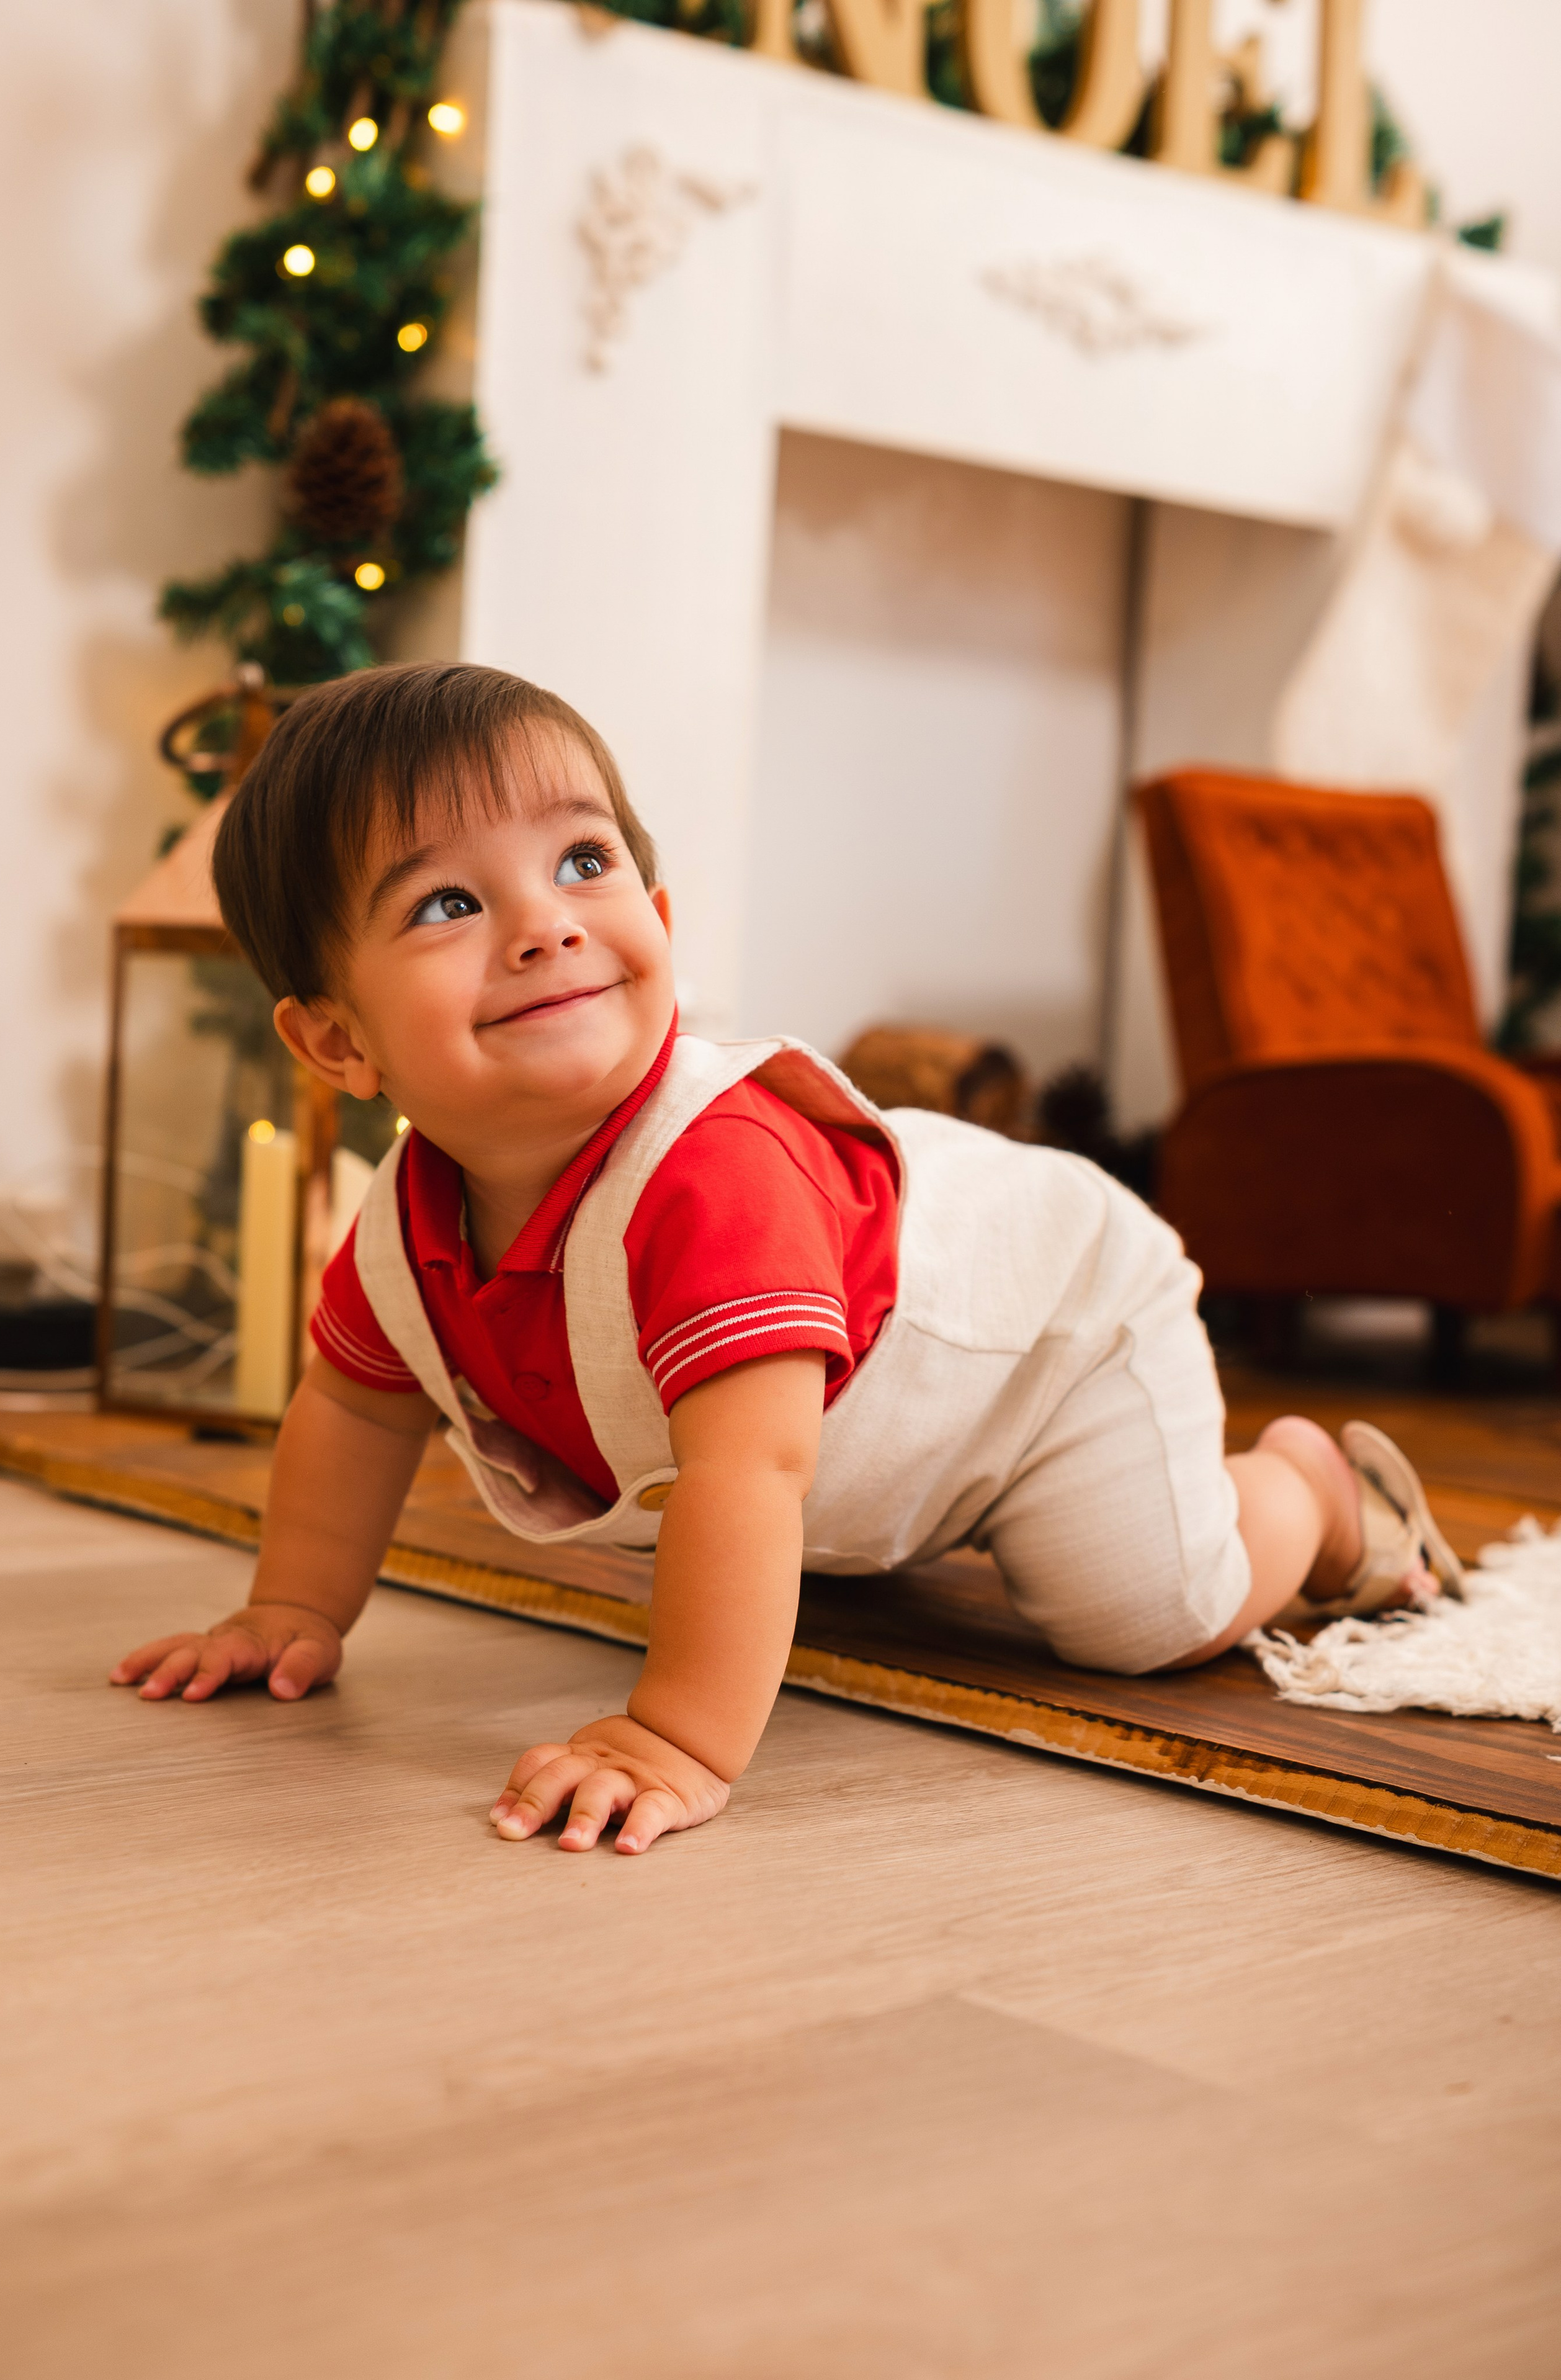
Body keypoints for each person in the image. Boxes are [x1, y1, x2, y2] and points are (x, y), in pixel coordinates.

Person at [110, 663, 1464, 1855]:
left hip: (1055, 1342)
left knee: (1148, 1613)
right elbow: (352, 1406)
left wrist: (677, 1738)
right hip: (889, 1439)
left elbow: (747, 1469)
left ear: (657, 908)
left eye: (582, 863)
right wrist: (290, 1604)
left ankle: (1311, 1489)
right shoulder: (404, 1231)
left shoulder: (711, 1174)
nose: (545, 924)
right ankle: (967, 1517)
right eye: (450, 901)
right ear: (339, 1045)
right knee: (803, 1544)